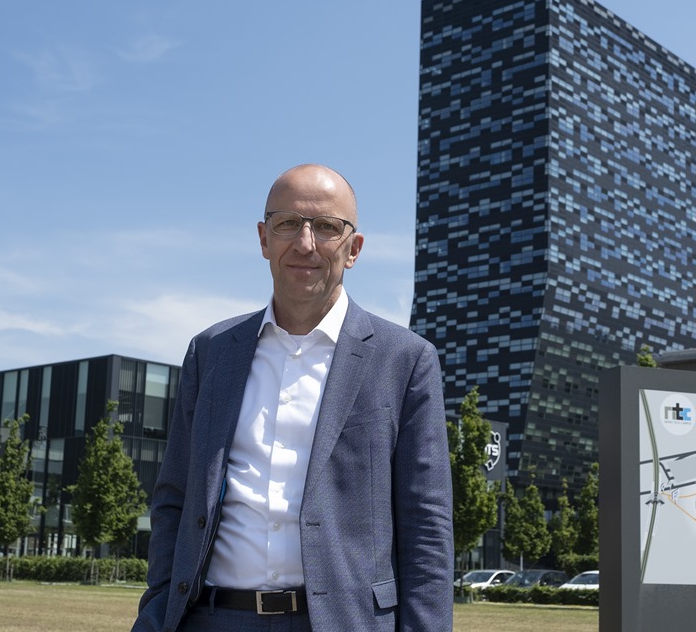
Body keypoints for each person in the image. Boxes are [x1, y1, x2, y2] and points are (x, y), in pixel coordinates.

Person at [132, 164, 454, 632]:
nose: (305, 243)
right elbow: (174, 499)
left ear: (354, 248)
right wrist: (155, 615)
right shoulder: (211, 352)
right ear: (264, 239)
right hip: (210, 619)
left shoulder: (405, 361)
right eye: (288, 224)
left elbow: (427, 526)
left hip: (342, 622)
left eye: (327, 227)